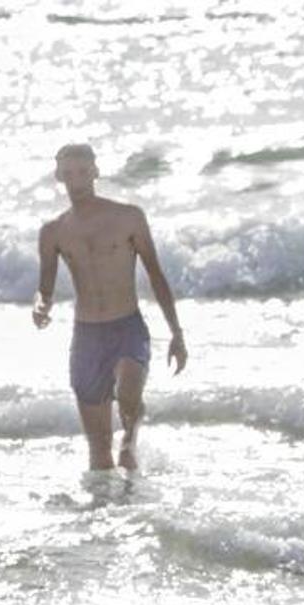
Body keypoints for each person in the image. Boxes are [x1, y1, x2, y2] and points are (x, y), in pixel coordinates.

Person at [33, 144, 187, 471]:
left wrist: (176, 332)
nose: (77, 179)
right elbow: (44, 286)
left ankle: (130, 440)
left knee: (129, 394)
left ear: (95, 172)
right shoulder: (53, 232)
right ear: (59, 176)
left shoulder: (128, 217)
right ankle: (108, 512)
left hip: (127, 327)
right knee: (98, 454)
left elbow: (155, 274)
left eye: (83, 171)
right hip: (87, 336)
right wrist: (41, 306)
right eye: (69, 173)